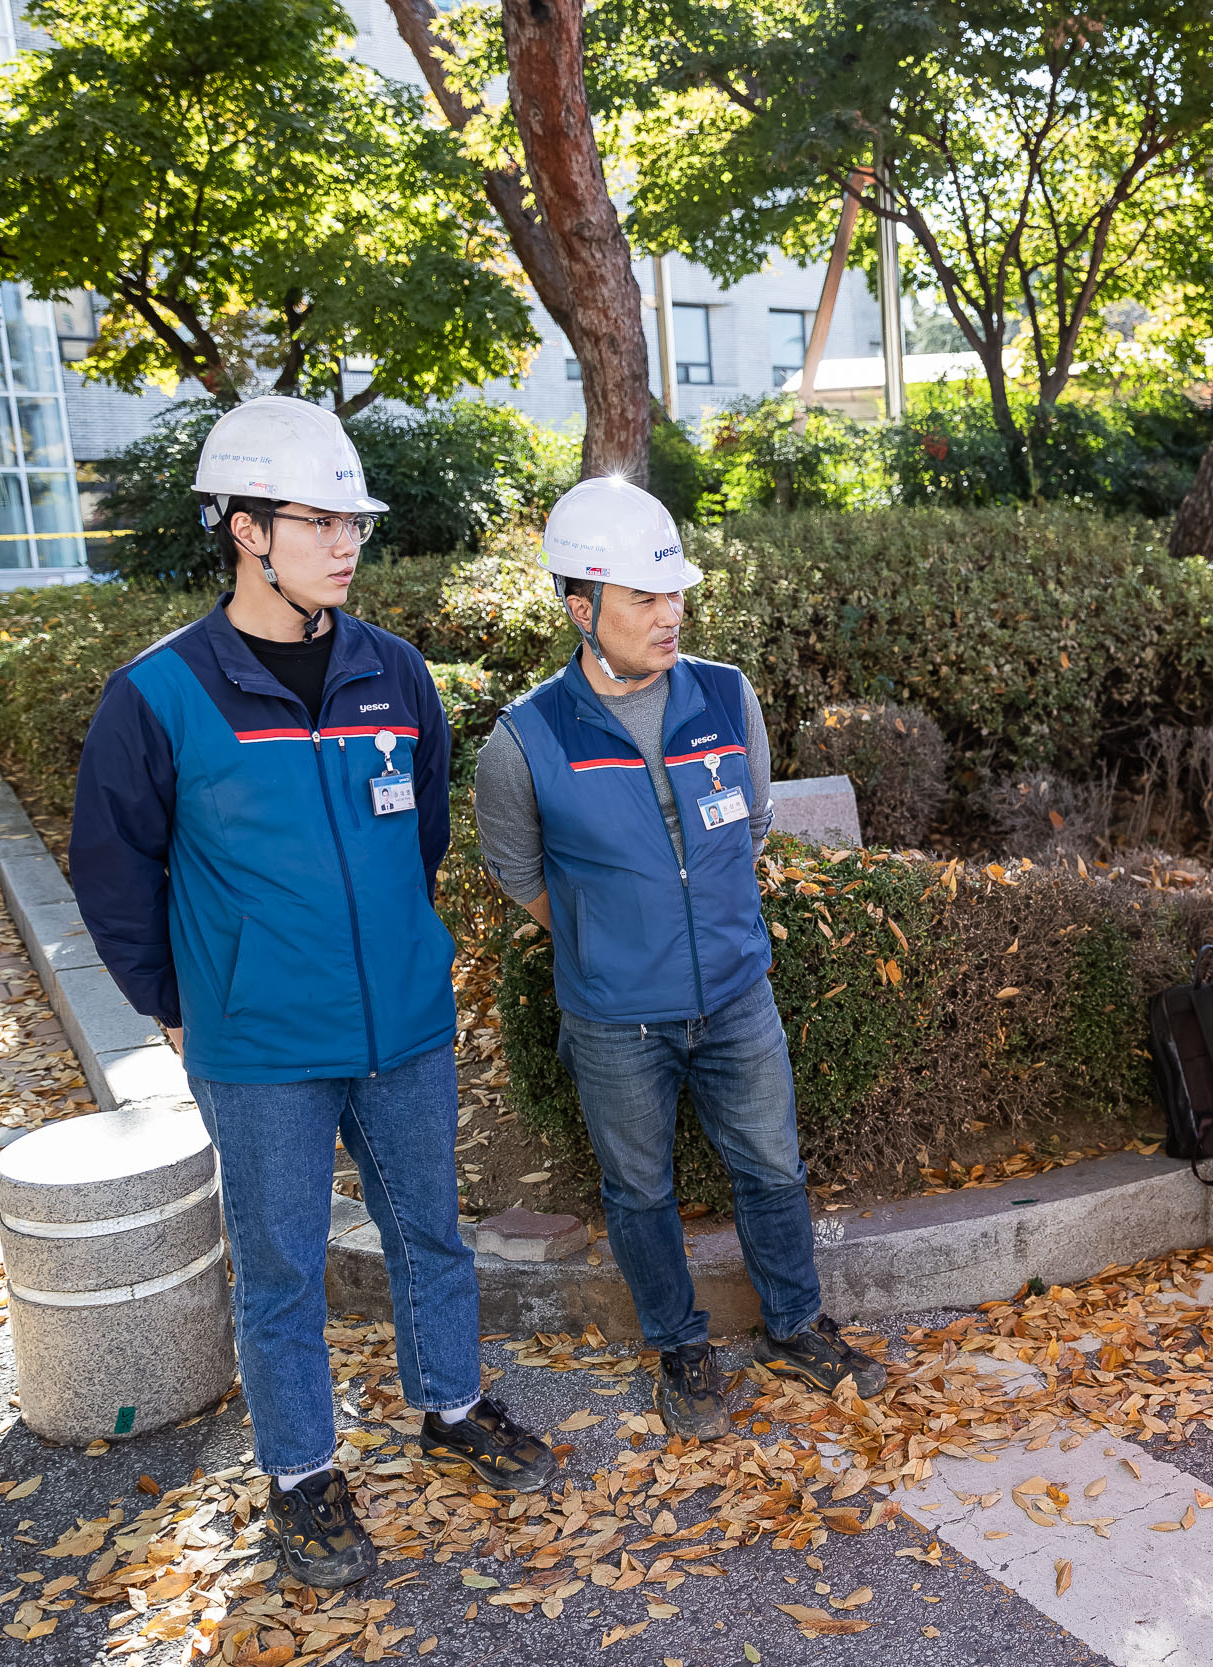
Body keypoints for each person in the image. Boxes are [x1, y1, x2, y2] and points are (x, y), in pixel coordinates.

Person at [69, 397, 554, 1592]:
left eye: (355, 522)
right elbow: (113, 867)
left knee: (430, 1234)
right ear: (245, 529)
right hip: (260, 1041)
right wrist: (177, 1000)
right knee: (279, 1265)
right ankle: (301, 1471)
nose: (347, 542)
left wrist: (396, 948)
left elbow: (422, 835)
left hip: (401, 1022)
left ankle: (451, 1403)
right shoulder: (161, 693)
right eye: (320, 520)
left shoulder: (394, 673)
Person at [472, 476, 884, 1439]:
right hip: (617, 1016)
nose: (670, 615)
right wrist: (612, 937)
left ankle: (793, 1323)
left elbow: (754, 828)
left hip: (738, 994)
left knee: (773, 1167)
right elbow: (518, 871)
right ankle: (680, 1347)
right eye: (643, 599)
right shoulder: (525, 738)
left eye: (675, 595)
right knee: (640, 1188)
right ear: (581, 607)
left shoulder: (726, 694)